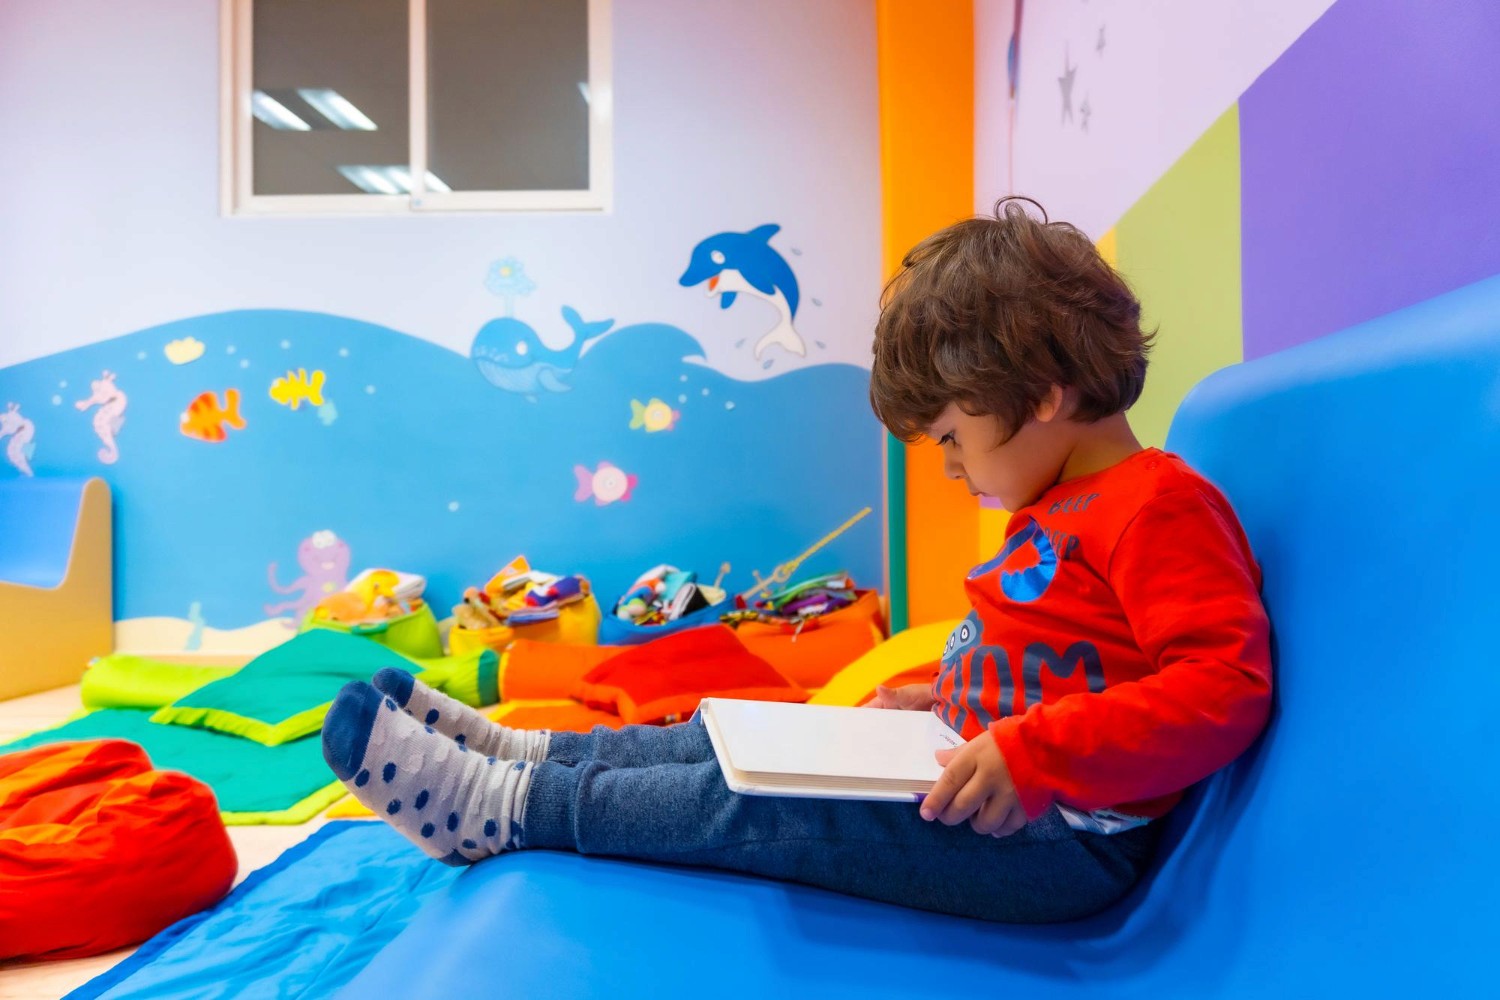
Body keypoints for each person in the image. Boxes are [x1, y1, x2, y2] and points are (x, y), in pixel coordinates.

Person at [321, 197, 1272, 923]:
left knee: (746, 803)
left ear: (1046, 392)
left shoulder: (1157, 504)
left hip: (1061, 843)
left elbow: (1222, 686)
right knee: (731, 736)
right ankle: (527, 749)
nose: (949, 469)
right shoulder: (1056, 501)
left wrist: (1034, 753)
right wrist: (946, 693)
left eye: (950, 438)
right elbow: (1059, 660)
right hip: (989, 784)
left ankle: (509, 806)